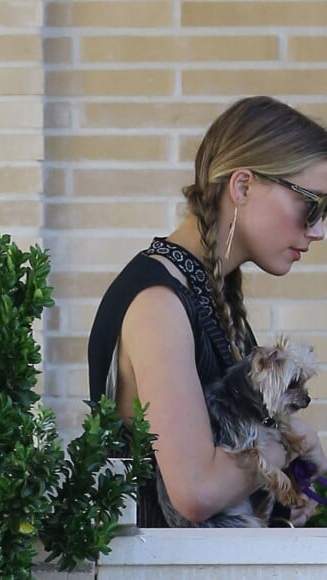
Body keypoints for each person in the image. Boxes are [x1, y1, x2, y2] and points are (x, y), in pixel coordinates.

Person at [88, 95, 327, 528]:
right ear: (242, 187)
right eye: (311, 205)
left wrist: (303, 482)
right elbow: (196, 491)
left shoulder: (211, 297)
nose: (319, 230)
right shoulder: (160, 303)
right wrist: (289, 444)